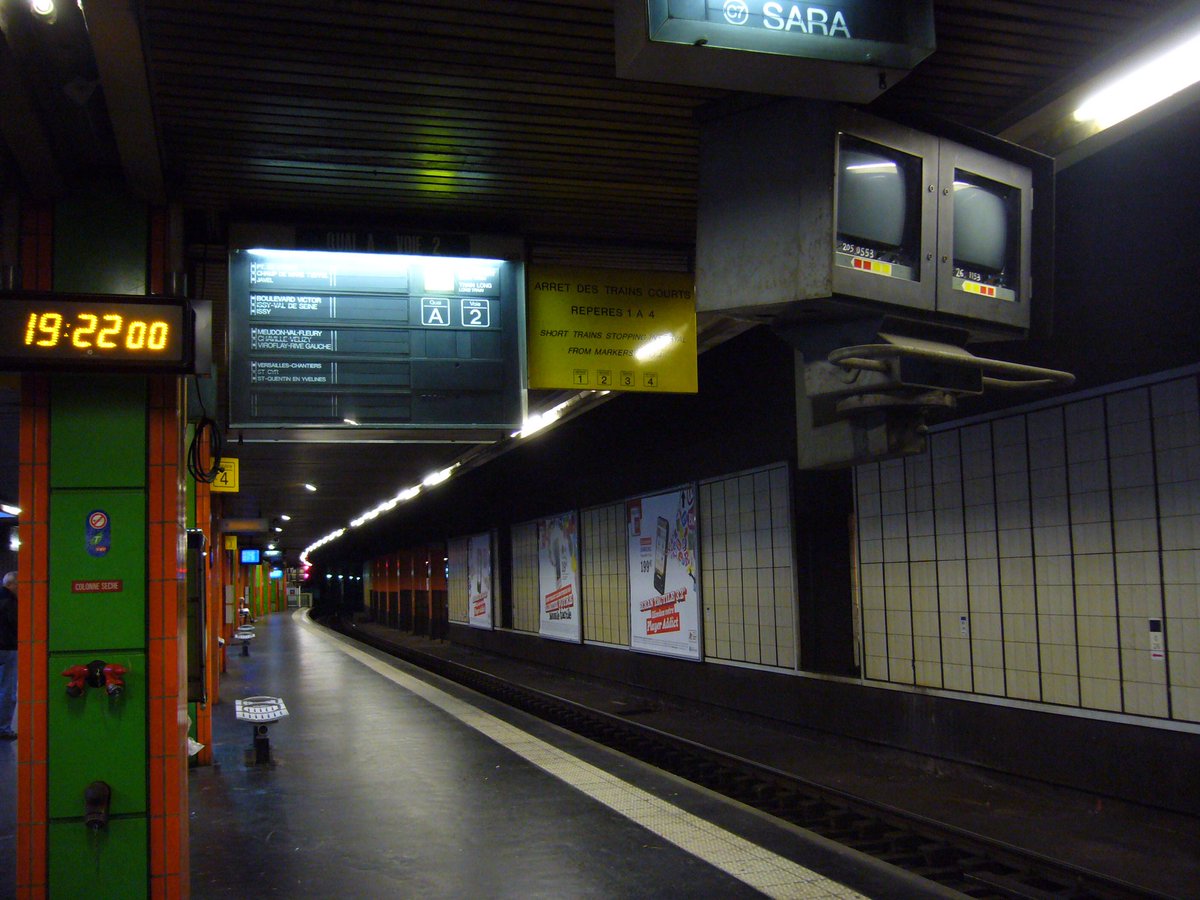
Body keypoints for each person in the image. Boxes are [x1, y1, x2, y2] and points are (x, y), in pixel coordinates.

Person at [0, 571, 16, 739]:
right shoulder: (10, 602)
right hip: (7, 648)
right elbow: (16, 624)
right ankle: (3, 728)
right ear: (12, 585)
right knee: (7, 690)